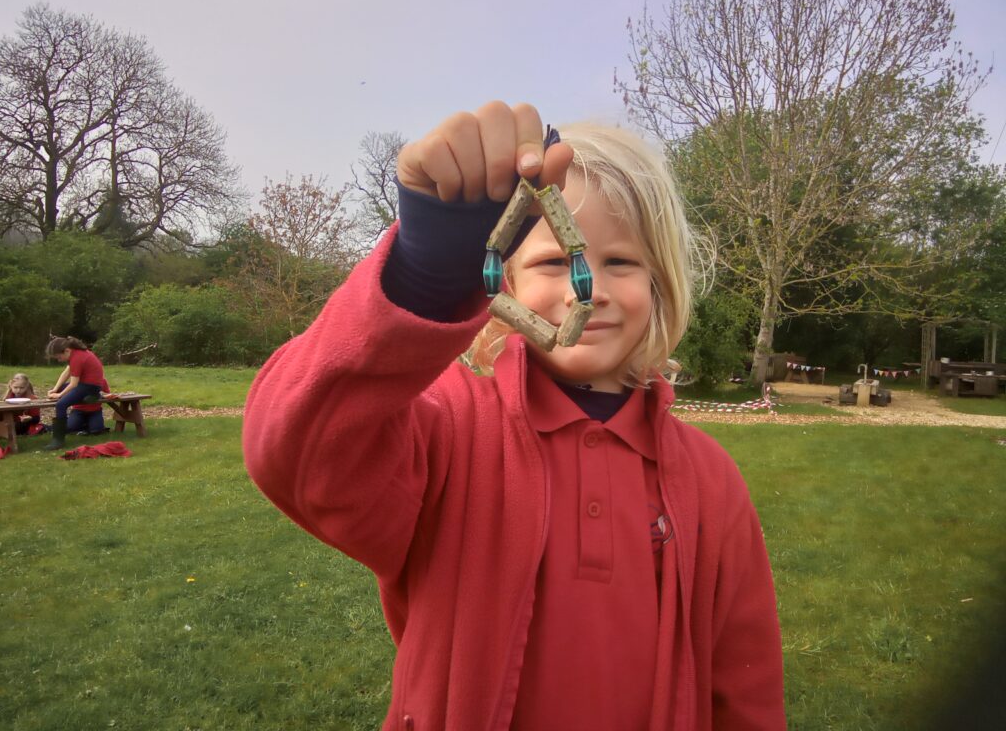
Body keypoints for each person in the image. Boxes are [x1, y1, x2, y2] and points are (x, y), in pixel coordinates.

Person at [244, 101, 785, 730]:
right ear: (503, 283)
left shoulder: (710, 480)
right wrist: (422, 282)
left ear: (661, 284)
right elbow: (295, 451)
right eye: (557, 262)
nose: (590, 290)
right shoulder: (449, 429)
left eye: (622, 263)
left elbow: (745, 682)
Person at [45, 336, 105, 451]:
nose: (59, 360)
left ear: (67, 350)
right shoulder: (75, 353)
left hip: (90, 386)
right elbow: (66, 373)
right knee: (59, 392)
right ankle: (93, 396)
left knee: (61, 404)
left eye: (59, 357)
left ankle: (58, 440)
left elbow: (73, 384)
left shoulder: (78, 357)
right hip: (86, 385)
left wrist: (59, 395)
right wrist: (55, 389)